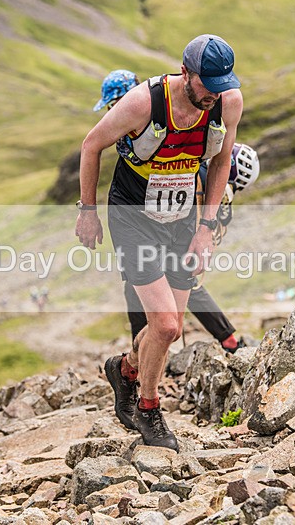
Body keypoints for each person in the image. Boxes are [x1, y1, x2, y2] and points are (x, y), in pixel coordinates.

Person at [76, 35, 243, 450]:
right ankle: (149, 409)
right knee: (166, 326)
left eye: (223, 84)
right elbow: (90, 145)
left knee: (169, 327)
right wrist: (87, 212)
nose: (214, 94)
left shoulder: (227, 102)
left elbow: (222, 161)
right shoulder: (142, 103)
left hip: (182, 218)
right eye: (207, 84)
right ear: (185, 72)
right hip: (133, 217)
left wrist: (206, 229)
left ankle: (126, 370)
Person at [95, 70, 260, 354]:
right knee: (144, 287)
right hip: (147, 219)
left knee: (172, 288)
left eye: (114, 105)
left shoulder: (149, 114)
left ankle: (146, 358)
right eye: (111, 108)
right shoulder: (143, 114)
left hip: (172, 222)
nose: (114, 113)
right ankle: (144, 357)